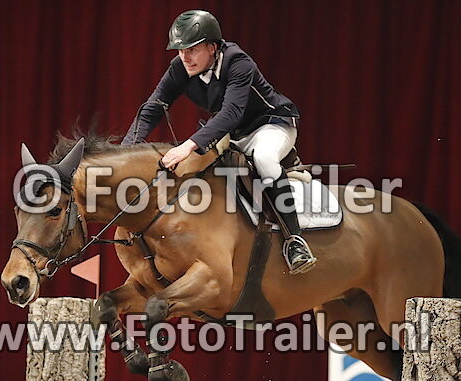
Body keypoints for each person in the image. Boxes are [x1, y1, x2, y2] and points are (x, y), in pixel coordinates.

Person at [122, 9, 317, 275]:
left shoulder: (238, 63)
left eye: (191, 49)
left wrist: (187, 146)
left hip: (271, 124)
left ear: (212, 47)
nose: (184, 57)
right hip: (233, 134)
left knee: (262, 158)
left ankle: (295, 241)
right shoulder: (180, 68)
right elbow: (152, 108)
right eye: (180, 50)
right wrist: (124, 151)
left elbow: (231, 113)